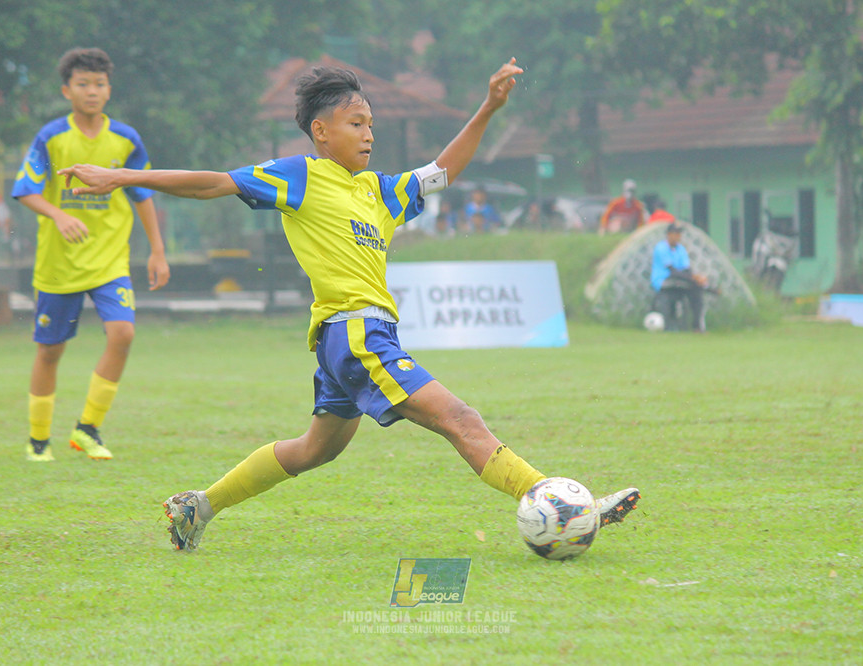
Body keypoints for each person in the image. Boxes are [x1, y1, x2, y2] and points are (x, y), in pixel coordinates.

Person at [57, 58, 640, 551]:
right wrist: (120, 175)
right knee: (460, 419)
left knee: (315, 449)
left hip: (350, 339)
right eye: (355, 123)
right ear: (319, 131)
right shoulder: (301, 177)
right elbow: (214, 182)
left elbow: (442, 172)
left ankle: (197, 507)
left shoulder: (379, 191)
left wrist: (487, 108)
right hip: (356, 334)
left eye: (371, 125)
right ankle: (560, 504)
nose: (368, 134)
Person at [11, 47, 170, 462]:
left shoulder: (126, 139)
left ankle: (87, 429)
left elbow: (143, 193)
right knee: (50, 350)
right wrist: (57, 215)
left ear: (109, 90)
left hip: (109, 262)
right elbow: (25, 189)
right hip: (59, 264)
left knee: (123, 333)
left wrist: (157, 250)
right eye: (83, 84)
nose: (92, 91)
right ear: (67, 90)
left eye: (99, 84)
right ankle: (38, 440)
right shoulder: (51, 137)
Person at [650, 222, 712, 332]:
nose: (678, 236)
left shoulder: (680, 249)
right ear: (668, 234)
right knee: (691, 283)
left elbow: (686, 269)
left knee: (696, 289)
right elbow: (673, 271)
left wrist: (696, 278)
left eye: (679, 234)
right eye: (675, 233)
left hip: (678, 281)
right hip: (663, 281)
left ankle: (697, 325)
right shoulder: (661, 248)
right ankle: (669, 325)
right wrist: (693, 278)